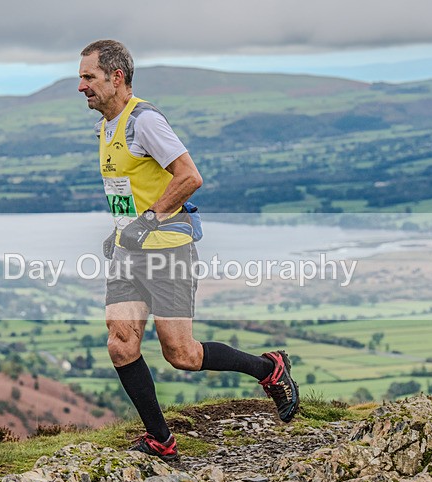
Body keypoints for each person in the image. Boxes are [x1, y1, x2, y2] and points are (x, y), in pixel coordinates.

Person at [78, 40, 300, 460]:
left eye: (89, 77)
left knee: (181, 354)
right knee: (120, 343)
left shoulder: (144, 121)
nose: (81, 86)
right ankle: (161, 440)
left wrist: (149, 220)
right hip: (129, 251)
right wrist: (122, 228)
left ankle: (268, 368)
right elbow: (131, 189)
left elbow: (189, 176)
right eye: (81, 77)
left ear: (116, 77)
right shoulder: (105, 127)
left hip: (167, 250)